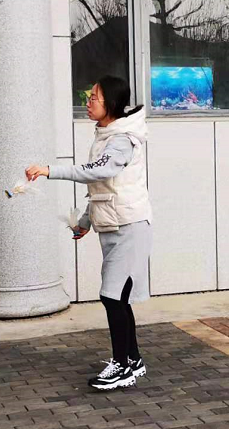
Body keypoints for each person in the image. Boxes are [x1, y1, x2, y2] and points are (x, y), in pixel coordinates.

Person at [26, 76, 151, 391]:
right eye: (89, 95)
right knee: (119, 297)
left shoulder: (122, 139)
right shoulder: (106, 135)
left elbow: (98, 171)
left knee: (112, 296)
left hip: (129, 227)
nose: (88, 101)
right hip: (113, 224)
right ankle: (132, 360)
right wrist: (85, 220)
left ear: (111, 102)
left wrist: (50, 170)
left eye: (94, 96)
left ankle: (121, 366)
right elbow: (103, 186)